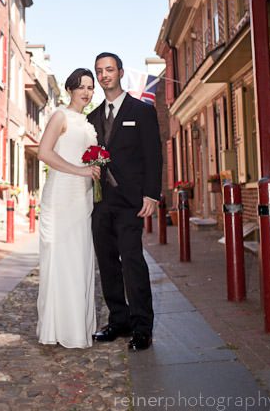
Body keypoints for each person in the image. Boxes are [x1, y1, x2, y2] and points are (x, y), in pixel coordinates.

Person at [87, 52, 161, 352]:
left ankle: (142, 327)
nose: (104, 75)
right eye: (99, 71)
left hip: (131, 202)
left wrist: (152, 194)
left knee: (132, 262)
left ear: (120, 72)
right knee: (106, 263)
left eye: (109, 69)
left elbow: (153, 155)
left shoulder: (141, 111)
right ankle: (119, 321)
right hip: (100, 201)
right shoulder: (92, 118)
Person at [36, 68, 100, 348]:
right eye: (81, 86)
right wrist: (80, 170)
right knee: (62, 260)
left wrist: (94, 169)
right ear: (70, 89)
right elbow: (44, 152)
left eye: (90, 87)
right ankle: (59, 329)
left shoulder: (86, 122)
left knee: (80, 260)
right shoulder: (60, 116)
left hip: (82, 198)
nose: (86, 92)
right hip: (61, 196)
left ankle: (78, 328)